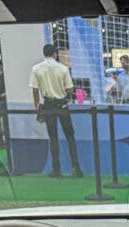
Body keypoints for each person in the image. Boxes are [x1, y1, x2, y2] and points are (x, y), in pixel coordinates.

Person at [30, 44, 84, 177]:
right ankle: (76, 169)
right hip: (62, 105)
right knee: (70, 137)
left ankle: (56, 169)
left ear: (44, 53)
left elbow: (35, 91)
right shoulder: (63, 68)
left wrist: (37, 108)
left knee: (53, 137)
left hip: (48, 105)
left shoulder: (36, 69)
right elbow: (69, 89)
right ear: (55, 54)